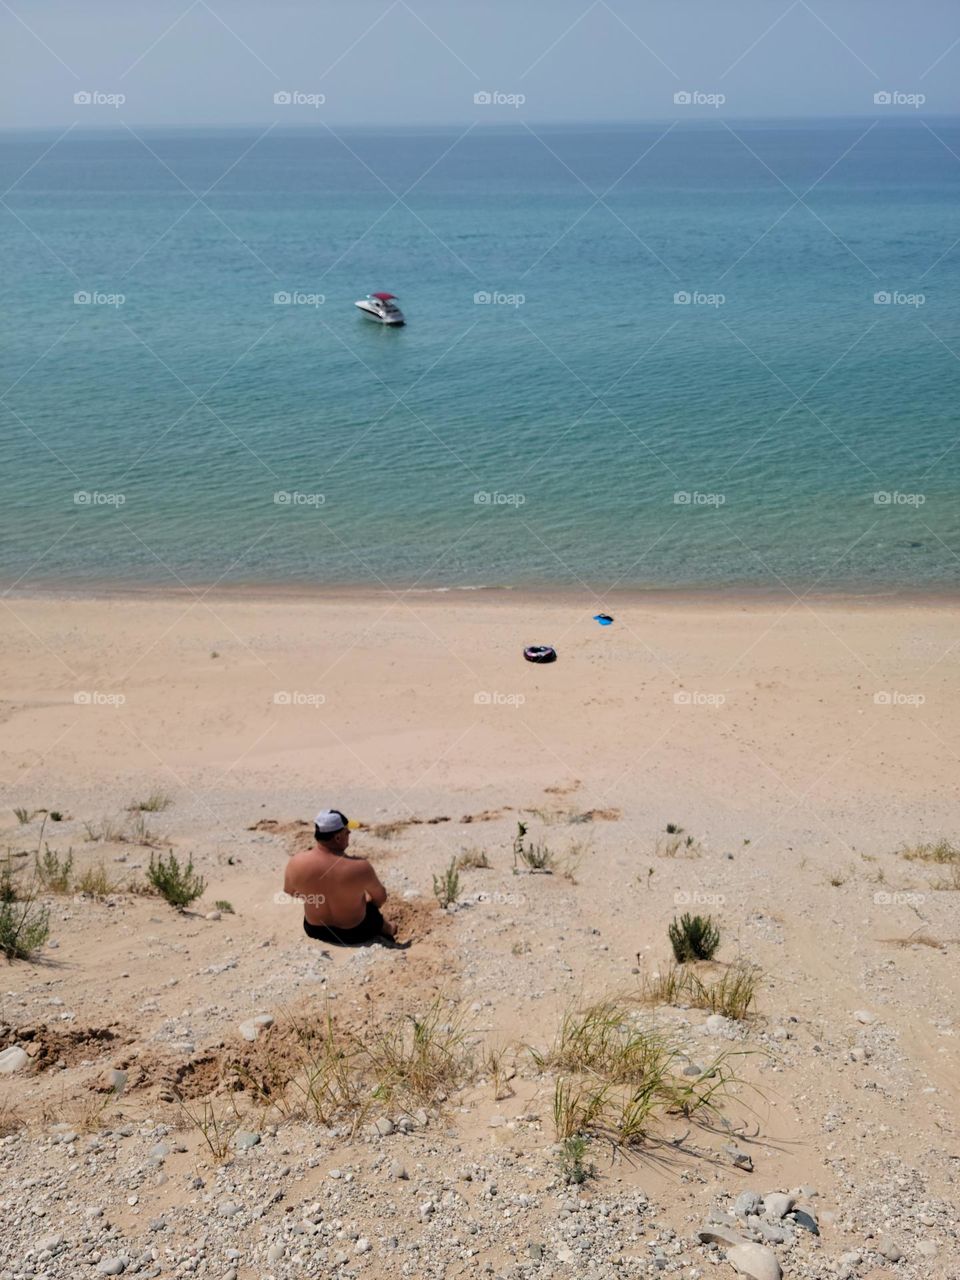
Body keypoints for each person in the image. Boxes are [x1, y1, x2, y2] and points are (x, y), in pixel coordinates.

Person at [284, 808, 397, 945]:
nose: (349, 832)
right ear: (337, 837)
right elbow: (381, 898)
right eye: (346, 831)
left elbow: (289, 891)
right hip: (356, 932)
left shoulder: (296, 862)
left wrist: (315, 897)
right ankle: (390, 929)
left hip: (315, 930)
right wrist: (359, 901)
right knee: (373, 911)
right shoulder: (360, 866)